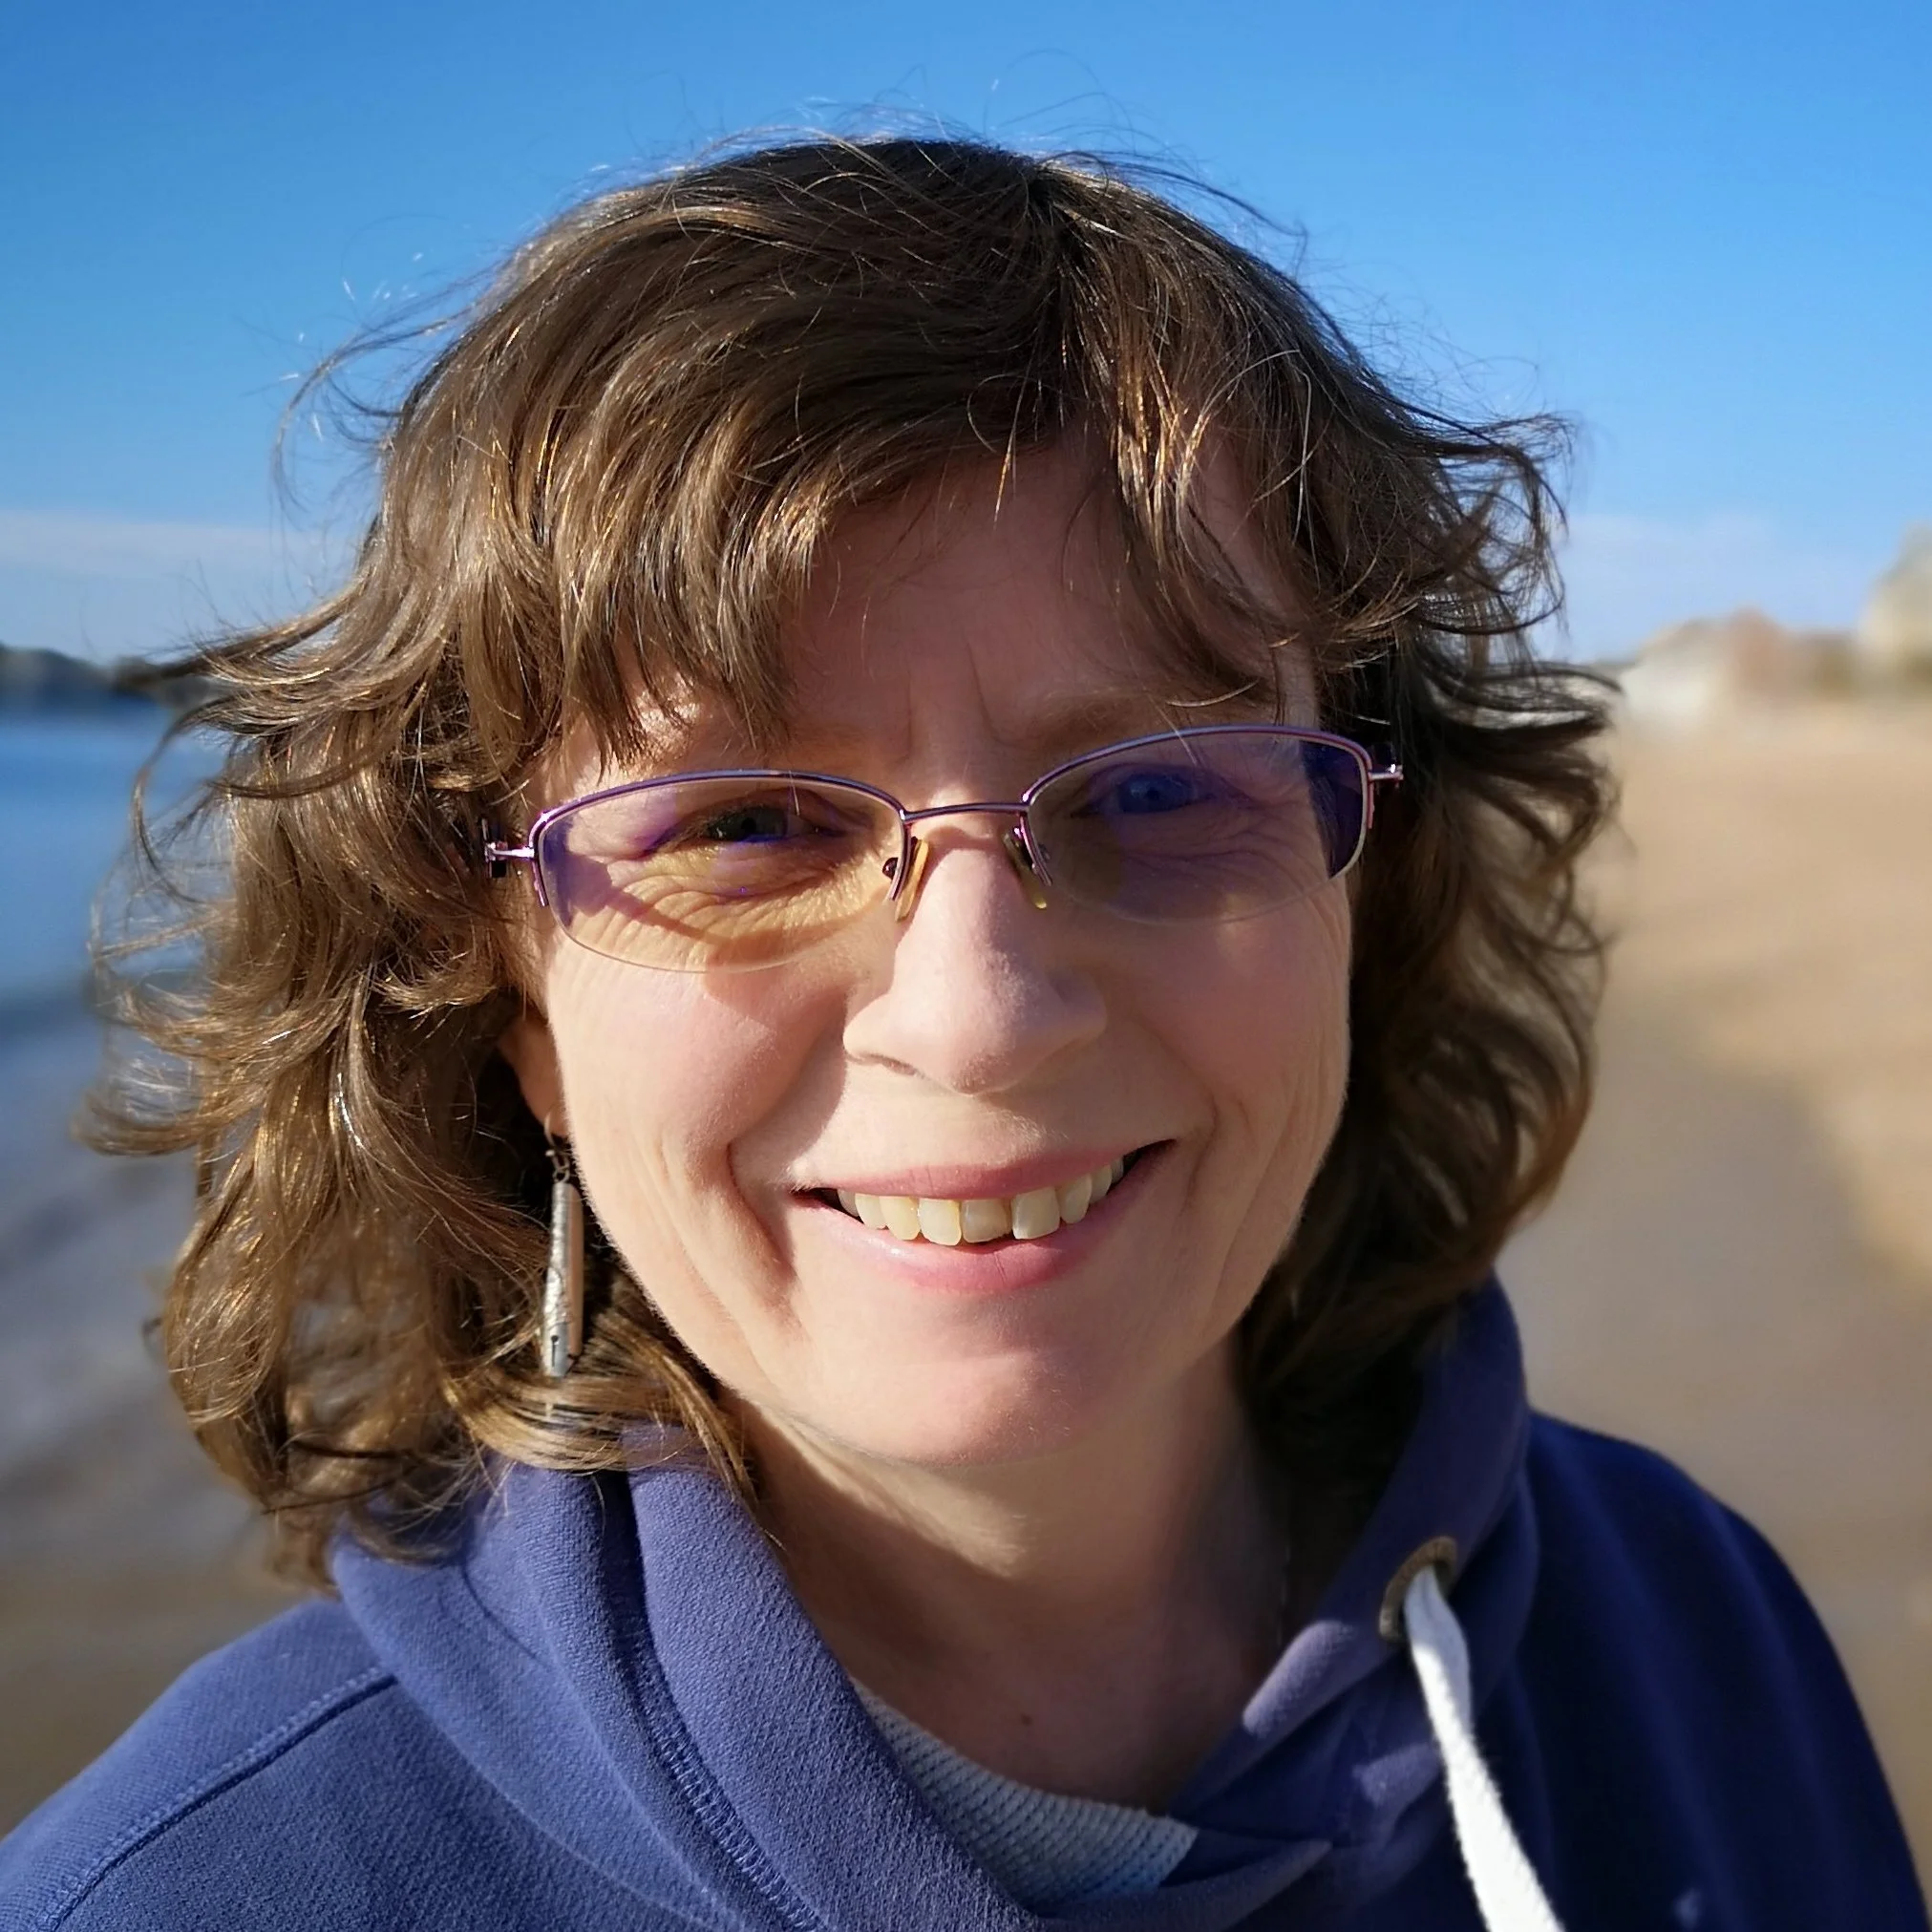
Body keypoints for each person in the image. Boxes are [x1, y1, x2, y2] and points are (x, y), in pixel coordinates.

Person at [1, 136, 1921, 1932]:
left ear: (1369, 889)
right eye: (747, 826)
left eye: (1160, 790)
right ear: (497, 995)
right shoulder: (194, 1892)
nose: (980, 1013)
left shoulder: (1691, 1637)